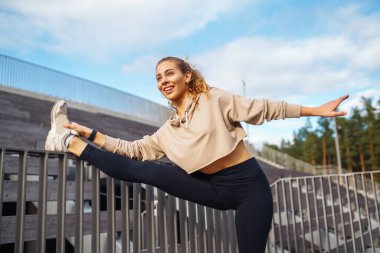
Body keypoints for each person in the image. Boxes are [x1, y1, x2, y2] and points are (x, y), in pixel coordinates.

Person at [45, 56, 349, 253]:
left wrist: (315, 111)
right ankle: (68, 140)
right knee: (150, 170)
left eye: (169, 73)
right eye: (158, 78)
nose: (163, 81)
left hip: (249, 191)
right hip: (211, 189)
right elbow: (132, 150)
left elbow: (265, 108)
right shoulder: (168, 130)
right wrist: (92, 134)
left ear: (187, 76)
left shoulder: (213, 99)